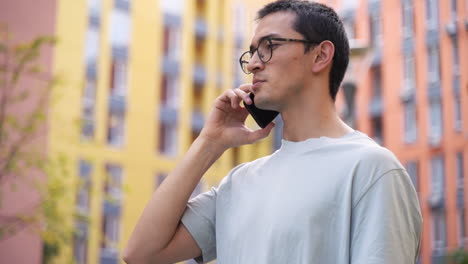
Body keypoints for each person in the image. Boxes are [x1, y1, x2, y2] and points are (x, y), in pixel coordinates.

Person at [123, 1, 422, 263]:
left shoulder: (372, 169)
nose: (253, 64)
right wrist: (209, 143)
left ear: (320, 56)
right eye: (251, 52)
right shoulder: (239, 183)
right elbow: (141, 253)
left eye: (269, 47)